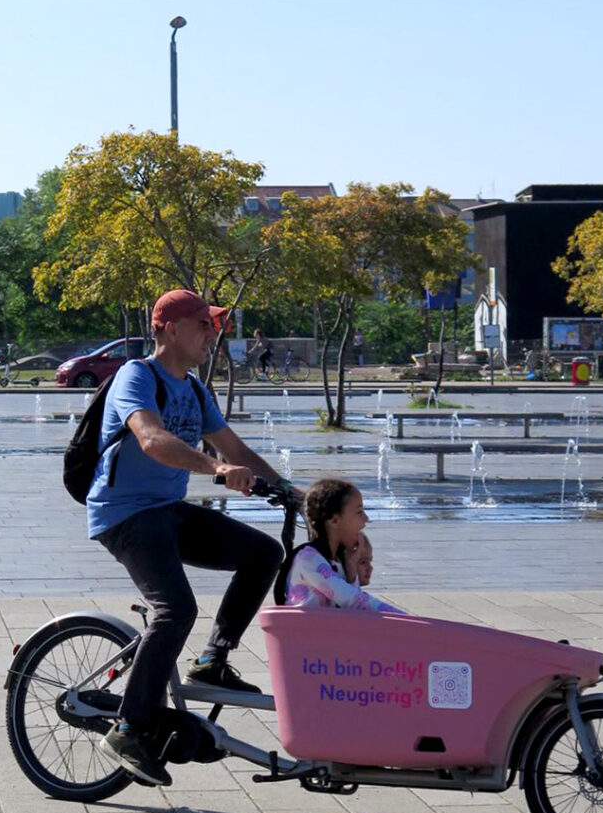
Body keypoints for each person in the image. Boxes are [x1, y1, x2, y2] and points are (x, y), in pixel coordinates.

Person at [91, 289, 290, 786]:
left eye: (213, 324)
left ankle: (212, 661)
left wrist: (295, 493)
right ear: (168, 329)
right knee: (175, 609)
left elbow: (235, 447)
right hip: (125, 515)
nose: (211, 333)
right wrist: (216, 468)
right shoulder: (137, 377)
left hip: (167, 512)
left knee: (264, 552)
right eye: (202, 323)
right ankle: (129, 727)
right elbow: (152, 439)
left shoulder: (197, 390)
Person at [280, 478, 403, 613]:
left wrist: (351, 571)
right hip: (302, 633)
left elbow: (351, 609)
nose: (366, 519)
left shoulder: (336, 561)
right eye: (359, 512)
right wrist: (409, 620)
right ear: (335, 520)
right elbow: (354, 601)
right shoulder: (309, 560)